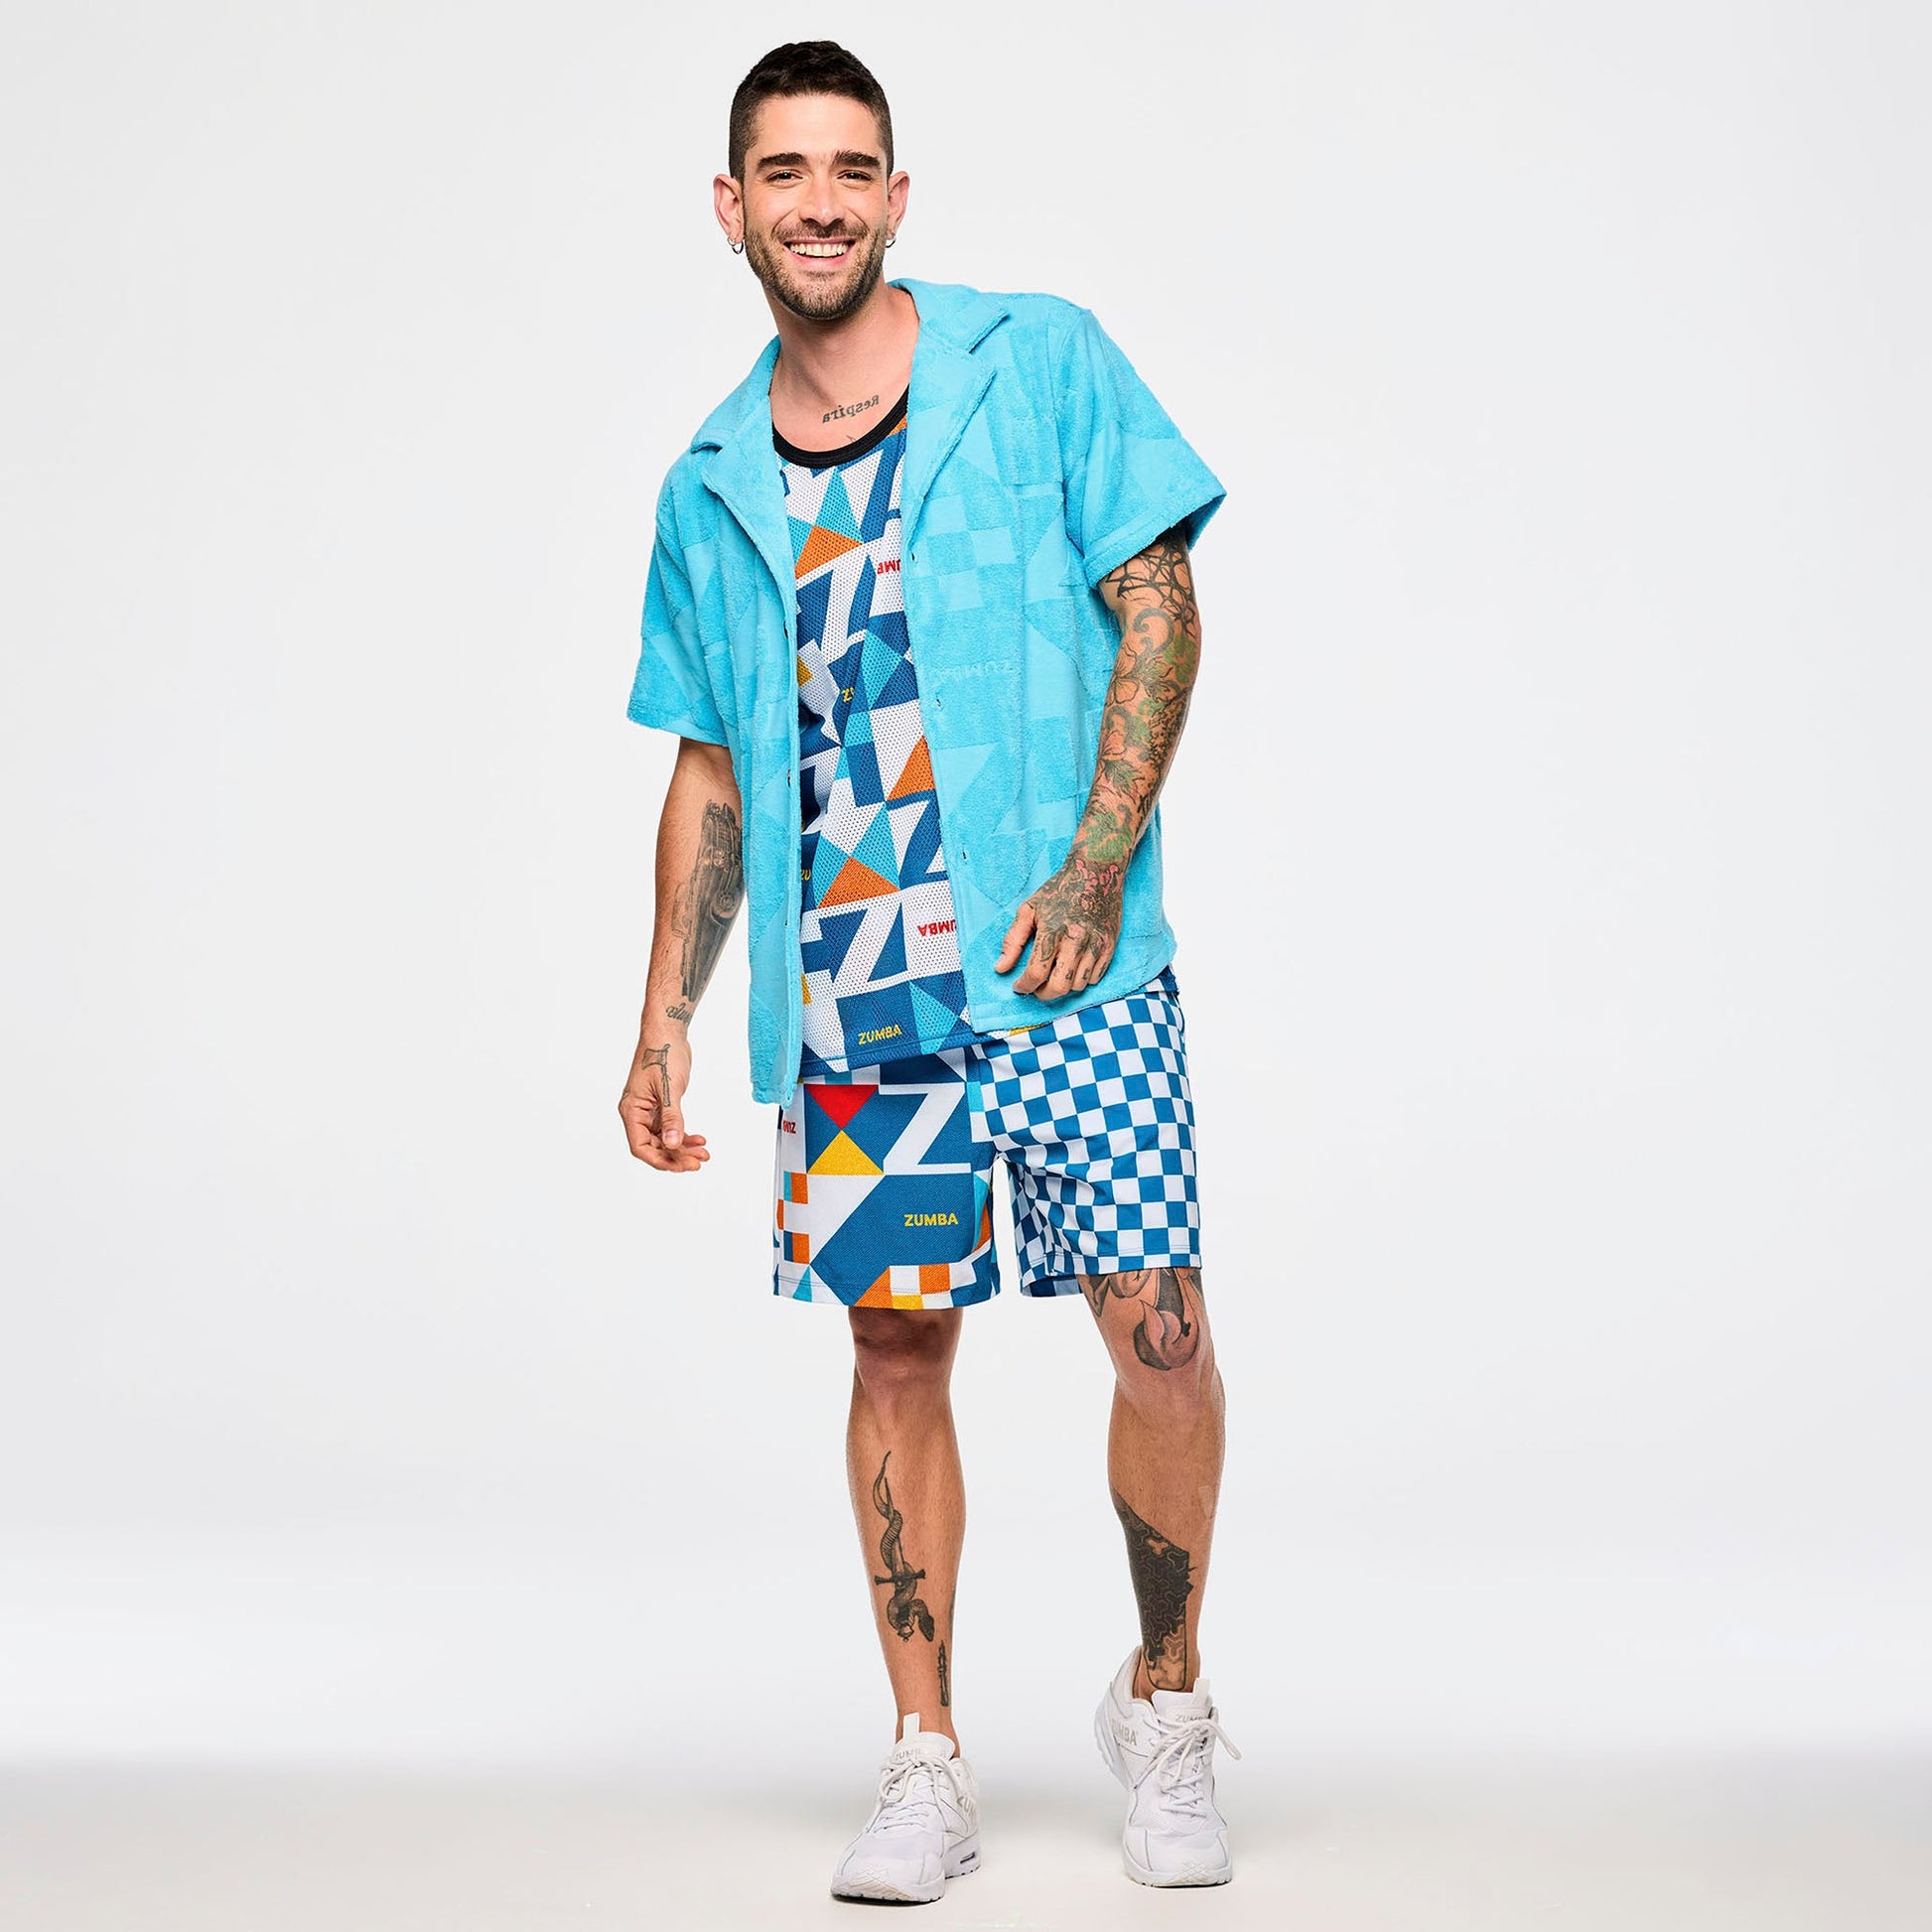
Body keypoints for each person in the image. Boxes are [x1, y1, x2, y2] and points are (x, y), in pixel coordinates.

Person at [619, 40, 1238, 1901]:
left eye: (850, 169)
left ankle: (1166, 1701)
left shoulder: (1034, 364)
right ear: (730, 208)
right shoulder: (708, 486)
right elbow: (711, 765)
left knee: (1159, 1331)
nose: (818, 203)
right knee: (893, 1347)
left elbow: (1158, 600)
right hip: (852, 982)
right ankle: (923, 1754)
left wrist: (1097, 860)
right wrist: (660, 1016)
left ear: (895, 196)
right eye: (782, 172)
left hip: (1067, 960)